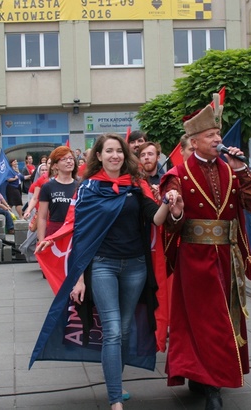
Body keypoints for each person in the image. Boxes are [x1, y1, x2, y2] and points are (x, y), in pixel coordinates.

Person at [32, 133, 177, 410]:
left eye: (119, 151)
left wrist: (168, 204)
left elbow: (155, 218)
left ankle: (115, 383)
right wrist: (78, 278)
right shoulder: (87, 188)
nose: (115, 156)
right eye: (108, 151)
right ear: (98, 156)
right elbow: (82, 235)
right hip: (102, 265)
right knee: (111, 330)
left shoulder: (137, 185)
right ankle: (114, 400)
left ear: (125, 155)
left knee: (122, 329)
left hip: (135, 267)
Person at [159, 93, 251, 410]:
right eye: (211, 136)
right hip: (195, 258)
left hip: (228, 258)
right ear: (193, 141)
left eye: (218, 135)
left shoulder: (231, 170)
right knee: (208, 321)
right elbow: (172, 217)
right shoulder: (178, 174)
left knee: (226, 319)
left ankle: (203, 376)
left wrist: (243, 169)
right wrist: (175, 209)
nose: (218, 140)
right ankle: (212, 387)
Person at [37, 146, 78, 240]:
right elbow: (42, 217)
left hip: (74, 231)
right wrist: (41, 240)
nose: (69, 161)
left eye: (71, 158)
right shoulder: (47, 187)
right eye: (64, 159)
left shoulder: (81, 187)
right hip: (55, 232)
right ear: (55, 165)